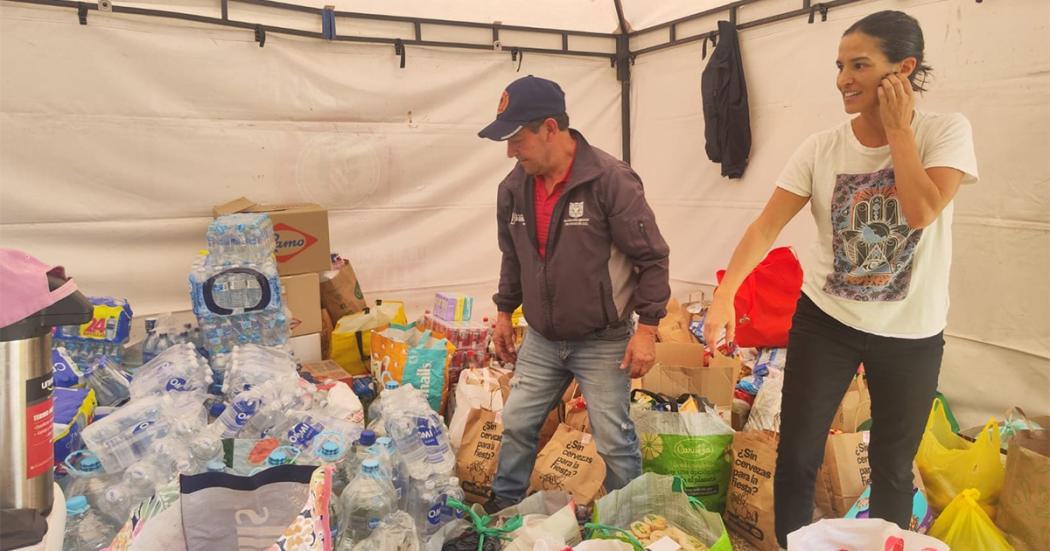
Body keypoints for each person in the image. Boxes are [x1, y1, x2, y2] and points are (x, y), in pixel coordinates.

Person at [702, 10, 978, 546]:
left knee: (892, 465)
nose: (843, 79)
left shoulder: (945, 132)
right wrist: (725, 294)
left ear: (904, 69)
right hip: (827, 319)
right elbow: (765, 227)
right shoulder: (820, 148)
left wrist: (899, 130)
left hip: (911, 331)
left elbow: (921, 211)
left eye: (859, 65)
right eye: (839, 66)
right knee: (798, 452)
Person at [477, 75, 671, 511]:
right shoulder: (513, 188)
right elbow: (513, 255)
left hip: (603, 340)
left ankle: (629, 522)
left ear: (550, 128)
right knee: (519, 423)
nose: (510, 151)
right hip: (543, 338)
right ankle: (502, 509)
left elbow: (652, 258)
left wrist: (648, 329)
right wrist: (505, 312)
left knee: (614, 440)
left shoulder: (610, 181)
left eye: (516, 139)